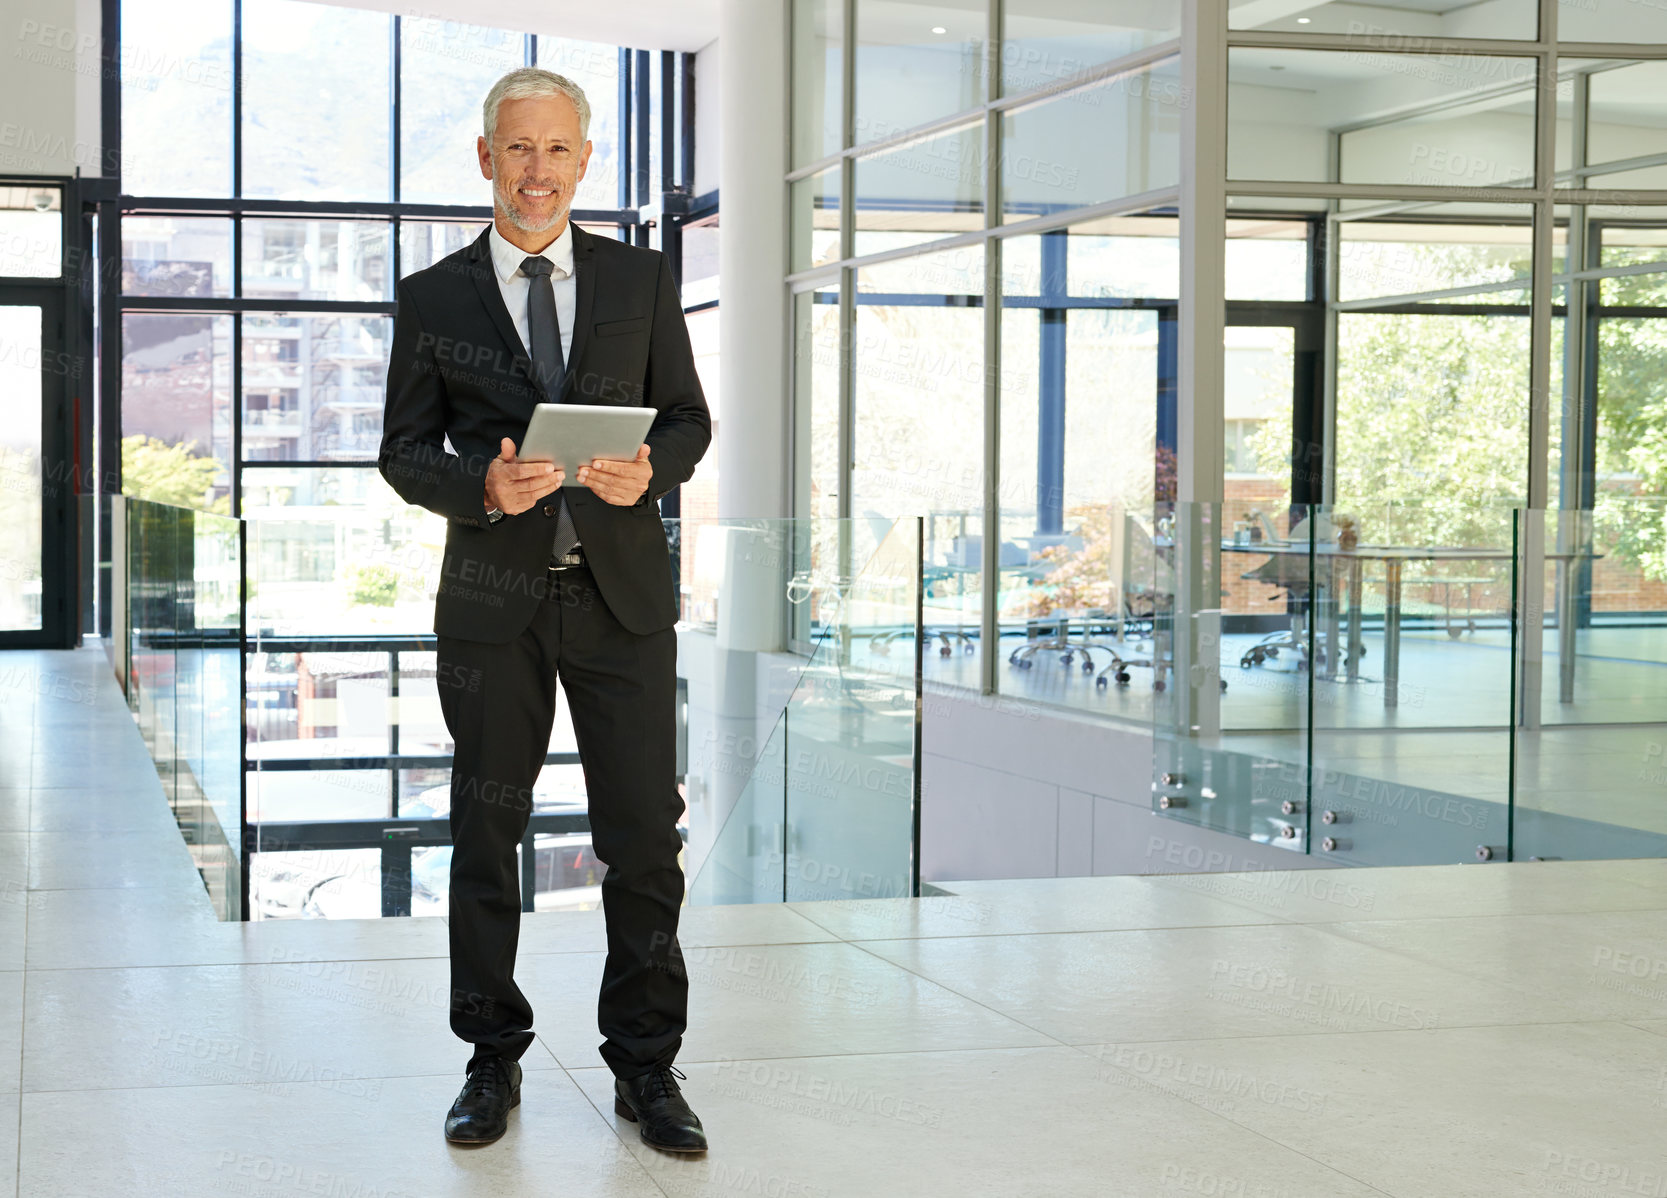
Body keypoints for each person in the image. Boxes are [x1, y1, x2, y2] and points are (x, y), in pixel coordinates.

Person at [378, 65, 711, 1152]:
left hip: (621, 602)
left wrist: (646, 472)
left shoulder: (642, 280)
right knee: (485, 831)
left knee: (643, 843)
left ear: (583, 159)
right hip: (491, 606)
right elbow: (401, 450)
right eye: (517, 150)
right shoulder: (433, 297)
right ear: (486, 159)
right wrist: (479, 484)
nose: (538, 173)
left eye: (557, 150)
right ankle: (489, 1058)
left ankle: (647, 1069)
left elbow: (689, 422)